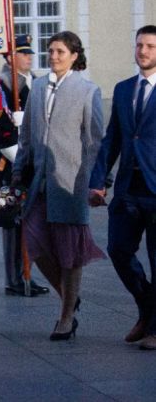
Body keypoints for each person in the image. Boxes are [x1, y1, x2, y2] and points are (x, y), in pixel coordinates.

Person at [12, 31, 105, 341]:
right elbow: (26, 133)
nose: (53, 56)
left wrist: (93, 182)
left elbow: (94, 141)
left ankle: (66, 316)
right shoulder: (37, 87)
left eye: (60, 52)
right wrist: (17, 170)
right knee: (34, 244)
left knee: (69, 252)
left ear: (74, 56)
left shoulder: (87, 90)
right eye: (50, 51)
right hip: (39, 180)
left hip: (70, 182)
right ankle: (69, 296)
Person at [89, 25, 156, 349]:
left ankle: (155, 328)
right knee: (118, 249)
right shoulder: (124, 89)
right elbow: (112, 138)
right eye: (140, 45)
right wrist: (99, 182)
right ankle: (147, 307)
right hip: (128, 188)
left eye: (150, 46)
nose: (143, 51)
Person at [0, 35, 49, 297]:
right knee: (12, 222)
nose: (29, 58)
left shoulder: (35, 84)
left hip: (34, 163)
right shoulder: (0, 87)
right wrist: (16, 126)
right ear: (10, 58)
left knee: (31, 222)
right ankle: (14, 279)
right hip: (10, 163)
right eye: (23, 54)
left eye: (30, 53)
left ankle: (27, 274)